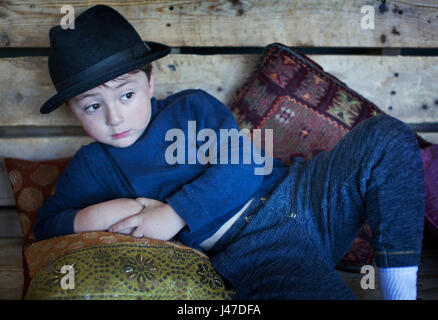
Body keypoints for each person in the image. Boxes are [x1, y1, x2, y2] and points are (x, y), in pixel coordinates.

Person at [35, 5, 425, 300]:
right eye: (92, 106)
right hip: (255, 250)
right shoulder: (94, 165)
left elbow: (244, 167)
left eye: (126, 94)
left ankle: (400, 292)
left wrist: (174, 214)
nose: (115, 116)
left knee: (386, 135)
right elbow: (47, 224)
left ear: (150, 82)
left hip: (303, 196)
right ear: (73, 109)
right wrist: (110, 211)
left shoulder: (189, 108)